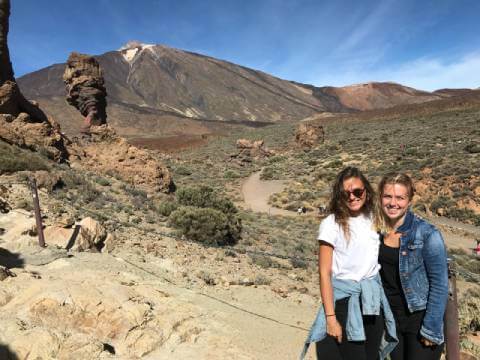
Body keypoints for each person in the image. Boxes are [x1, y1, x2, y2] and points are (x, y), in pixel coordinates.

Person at [301, 167, 397, 360]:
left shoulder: (375, 218)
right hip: (344, 302)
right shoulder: (331, 224)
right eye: (346, 193)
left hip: (371, 302)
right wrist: (330, 317)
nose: (352, 197)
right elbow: (324, 273)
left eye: (357, 192)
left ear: (366, 192)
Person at [376, 172, 448, 360]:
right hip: (391, 319)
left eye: (400, 197)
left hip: (420, 318)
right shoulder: (376, 231)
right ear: (380, 197)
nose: (393, 203)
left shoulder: (427, 233)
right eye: (388, 196)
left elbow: (440, 284)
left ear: (409, 200)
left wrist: (431, 328)